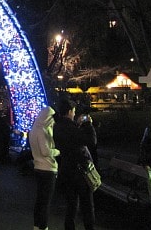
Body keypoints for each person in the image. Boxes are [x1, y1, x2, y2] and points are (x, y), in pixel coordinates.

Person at [53, 98, 97, 230]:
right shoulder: (70, 127)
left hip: (65, 169)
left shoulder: (57, 127)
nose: (74, 114)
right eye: (73, 111)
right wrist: (87, 124)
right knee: (87, 206)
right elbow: (91, 141)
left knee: (71, 205)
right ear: (70, 111)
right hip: (79, 172)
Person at [29, 106, 60, 230]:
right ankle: (43, 226)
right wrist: (58, 151)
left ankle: (37, 225)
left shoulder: (34, 130)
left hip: (38, 166)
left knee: (40, 200)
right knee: (45, 202)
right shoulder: (42, 131)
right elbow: (45, 151)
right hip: (47, 168)